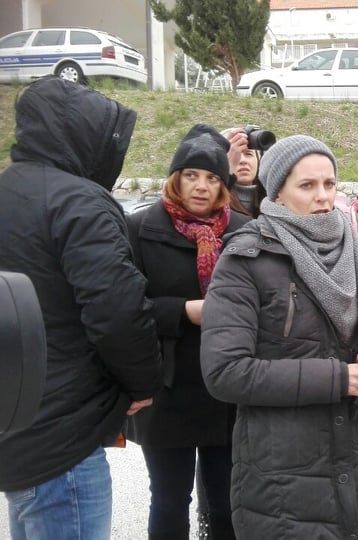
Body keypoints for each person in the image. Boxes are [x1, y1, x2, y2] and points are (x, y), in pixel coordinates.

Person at [199, 135, 358, 538]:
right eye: (307, 186)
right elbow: (225, 372)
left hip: (350, 459)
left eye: (330, 183)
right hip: (280, 476)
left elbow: (350, 344)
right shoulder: (245, 258)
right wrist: (339, 379)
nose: (323, 197)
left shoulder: (351, 248)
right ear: (279, 192)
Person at [0, 76, 162, 539]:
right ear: (80, 135)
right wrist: (142, 383)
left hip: (17, 420)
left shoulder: (8, 191)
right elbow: (117, 309)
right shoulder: (80, 203)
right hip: (64, 437)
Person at [125, 124, 249, 539]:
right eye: (192, 175)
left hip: (226, 387)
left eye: (213, 178)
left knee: (228, 499)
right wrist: (184, 311)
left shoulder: (242, 230)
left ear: (224, 184)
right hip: (167, 388)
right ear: (175, 177)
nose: (201, 187)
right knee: (168, 498)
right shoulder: (141, 229)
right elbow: (126, 307)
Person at [221, 126, 267, 217]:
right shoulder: (213, 200)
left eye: (249, 154)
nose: (242, 160)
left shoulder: (273, 199)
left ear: (259, 160)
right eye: (235, 154)